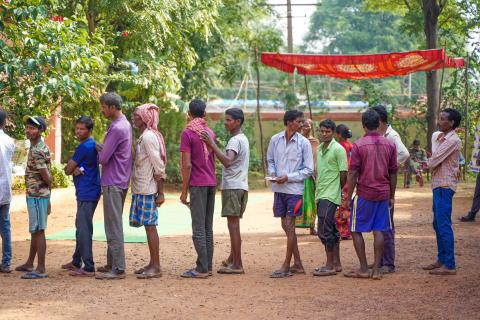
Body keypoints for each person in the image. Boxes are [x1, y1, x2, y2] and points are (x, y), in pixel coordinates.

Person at [345, 109, 397, 280]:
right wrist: (392, 195)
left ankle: (363, 268)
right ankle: (376, 270)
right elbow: (393, 172)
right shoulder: (390, 144)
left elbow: (353, 173)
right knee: (379, 230)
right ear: (379, 123)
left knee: (354, 229)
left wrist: (347, 196)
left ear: (364, 125)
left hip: (364, 193)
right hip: (383, 193)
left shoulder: (359, 145)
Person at [201, 108, 249, 275]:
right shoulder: (242, 138)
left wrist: (212, 145)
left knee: (233, 226)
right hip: (241, 186)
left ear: (237, 122)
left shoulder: (235, 141)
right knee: (235, 225)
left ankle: (238, 264)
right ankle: (232, 259)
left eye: (229, 120)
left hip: (233, 187)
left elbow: (228, 161)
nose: (225, 123)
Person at [266, 110, 314, 278]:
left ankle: (286, 266)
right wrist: (273, 173)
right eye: (299, 121)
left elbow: (309, 170)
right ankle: (298, 264)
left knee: (290, 226)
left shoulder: (304, 143)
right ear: (289, 122)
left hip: (294, 191)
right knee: (285, 226)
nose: (302, 125)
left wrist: (288, 177)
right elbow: (270, 160)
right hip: (279, 189)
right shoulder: (275, 140)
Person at [95, 92, 133, 280]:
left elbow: (103, 158)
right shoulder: (125, 124)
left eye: (103, 107)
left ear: (111, 107)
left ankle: (118, 268)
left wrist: (96, 148)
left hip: (112, 181)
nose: (102, 110)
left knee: (113, 225)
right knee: (113, 221)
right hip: (121, 179)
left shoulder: (116, 127)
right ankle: (112, 263)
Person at [180, 99, 216, 279]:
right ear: (204, 114)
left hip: (198, 184)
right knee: (208, 227)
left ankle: (201, 269)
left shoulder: (188, 132)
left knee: (198, 228)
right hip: (211, 182)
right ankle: (207, 265)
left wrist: (184, 190)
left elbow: (187, 165)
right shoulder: (209, 132)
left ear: (189, 113)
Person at [422, 108, 461, 276]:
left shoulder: (452, 140)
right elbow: (435, 154)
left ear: (451, 123)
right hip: (439, 184)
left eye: (443, 119)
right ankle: (442, 259)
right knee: (438, 224)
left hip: (445, 185)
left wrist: (425, 163)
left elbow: (434, 160)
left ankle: (449, 264)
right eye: (440, 118)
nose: (439, 121)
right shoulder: (442, 137)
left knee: (443, 224)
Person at [130, 104, 167, 279]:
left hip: (147, 189)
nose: (133, 118)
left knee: (151, 226)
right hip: (142, 187)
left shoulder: (148, 137)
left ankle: (156, 266)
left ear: (145, 118)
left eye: (137, 116)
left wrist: (161, 193)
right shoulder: (144, 136)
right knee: (147, 226)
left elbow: (158, 165)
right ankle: (152, 263)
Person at [61, 116, 101, 277]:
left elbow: (67, 169)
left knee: (84, 228)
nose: (78, 131)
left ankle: (89, 266)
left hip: (87, 192)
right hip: (89, 190)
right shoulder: (90, 144)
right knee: (80, 225)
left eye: (82, 129)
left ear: (90, 131)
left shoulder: (84, 147)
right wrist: (77, 167)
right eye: (77, 128)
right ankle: (76, 260)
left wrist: (74, 167)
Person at [371, 105, 408, 274]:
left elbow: (404, 154)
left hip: (385, 185)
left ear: (380, 121)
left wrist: (388, 166)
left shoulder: (391, 136)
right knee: (379, 225)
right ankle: (380, 260)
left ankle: (389, 263)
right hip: (378, 185)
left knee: (386, 225)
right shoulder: (380, 135)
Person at [16, 116, 52, 279]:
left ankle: (41, 268)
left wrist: (46, 196)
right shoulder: (37, 146)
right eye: (28, 127)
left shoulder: (37, 150)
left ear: (41, 130)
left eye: (33, 128)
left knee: (38, 230)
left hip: (37, 195)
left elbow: (47, 177)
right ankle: (30, 262)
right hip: (37, 195)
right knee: (35, 230)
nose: (29, 130)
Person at [313, 119, 348, 277]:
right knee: (330, 229)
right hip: (320, 193)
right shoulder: (320, 148)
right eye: (322, 131)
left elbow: (343, 173)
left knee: (324, 229)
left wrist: (337, 190)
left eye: (327, 131)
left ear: (333, 133)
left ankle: (329, 265)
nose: (324, 134)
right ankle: (337, 263)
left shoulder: (338, 149)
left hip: (331, 194)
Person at [295, 119, 319, 235]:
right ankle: (292, 225)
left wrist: (316, 174)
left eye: (308, 126)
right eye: (303, 126)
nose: (305, 128)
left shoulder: (315, 142)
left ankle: (311, 226)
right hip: (298, 174)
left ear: (311, 127)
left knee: (311, 201)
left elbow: (316, 159)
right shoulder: (297, 140)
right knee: (297, 200)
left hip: (310, 176)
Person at [0, 109, 15, 273]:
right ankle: (6, 262)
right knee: (5, 227)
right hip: (5, 188)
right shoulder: (9, 141)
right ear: (4, 123)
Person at [334, 124, 353, 240]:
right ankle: (346, 231)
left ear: (339, 135)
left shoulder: (338, 146)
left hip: (341, 177)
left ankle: (339, 231)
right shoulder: (351, 145)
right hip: (350, 178)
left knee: (338, 204)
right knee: (346, 203)